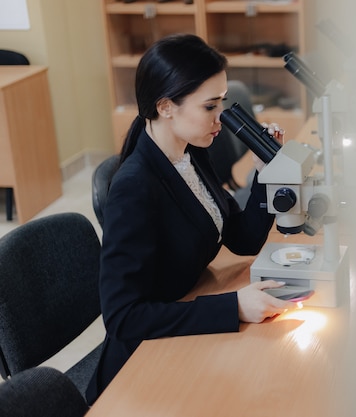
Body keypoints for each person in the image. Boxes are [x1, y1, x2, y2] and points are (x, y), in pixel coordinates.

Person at [86, 33, 294, 404]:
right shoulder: (134, 187)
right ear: (166, 107)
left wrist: (264, 173)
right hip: (144, 366)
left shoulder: (190, 152)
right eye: (210, 107)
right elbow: (122, 317)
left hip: (189, 321)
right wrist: (232, 306)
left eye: (222, 103)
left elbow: (241, 239)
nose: (221, 119)